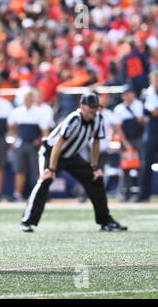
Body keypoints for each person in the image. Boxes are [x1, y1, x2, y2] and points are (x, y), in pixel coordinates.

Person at [19, 93, 128, 232]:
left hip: (71, 155)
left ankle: (105, 221)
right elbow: (58, 143)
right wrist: (51, 169)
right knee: (44, 180)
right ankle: (27, 221)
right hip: (51, 152)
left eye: (96, 108)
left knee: (96, 179)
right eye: (91, 108)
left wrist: (95, 167)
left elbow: (96, 142)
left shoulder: (98, 118)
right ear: (82, 107)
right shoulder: (73, 119)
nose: (94, 111)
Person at [8, 89, 49, 201]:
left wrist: (42, 142)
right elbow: (10, 125)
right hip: (22, 143)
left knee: (38, 170)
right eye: (26, 98)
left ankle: (41, 194)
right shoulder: (18, 112)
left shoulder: (39, 112)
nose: (27, 100)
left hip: (34, 144)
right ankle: (18, 194)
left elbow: (45, 130)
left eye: (29, 98)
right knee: (20, 170)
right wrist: (15, 137)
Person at [113, 84, 145, 201]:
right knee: (125, 168)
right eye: (125, 94)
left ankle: (142, 194)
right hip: (126, 141)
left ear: (133, 94)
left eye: (129, 93)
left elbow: (145, 124)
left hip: (139, 139)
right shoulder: (119, 109)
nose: (127, 96)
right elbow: (118, 128)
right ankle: (126, 193)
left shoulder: (140, 105)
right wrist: (125, 143)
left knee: (141, 166)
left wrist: (142, 121)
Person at [136, 70, 158, 202]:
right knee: (146, 164)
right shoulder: (147, 93)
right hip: (151, 132)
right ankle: (144, 195)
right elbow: (148, 112)